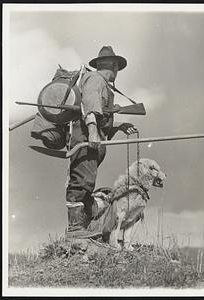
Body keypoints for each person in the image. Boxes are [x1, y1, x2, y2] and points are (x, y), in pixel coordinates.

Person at [65, 46, 137, 240]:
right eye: (116, 67)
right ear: (112, 65)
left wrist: (117, 127)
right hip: (86, 140)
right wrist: (92, 131)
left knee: (86, 183)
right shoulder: (95, 79)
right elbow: (89, 104)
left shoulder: (103, 84)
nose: (116, 72)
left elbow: (101, 120)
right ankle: (74, 230)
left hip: (92, 140)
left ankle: (82, 227)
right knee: (81, 183)